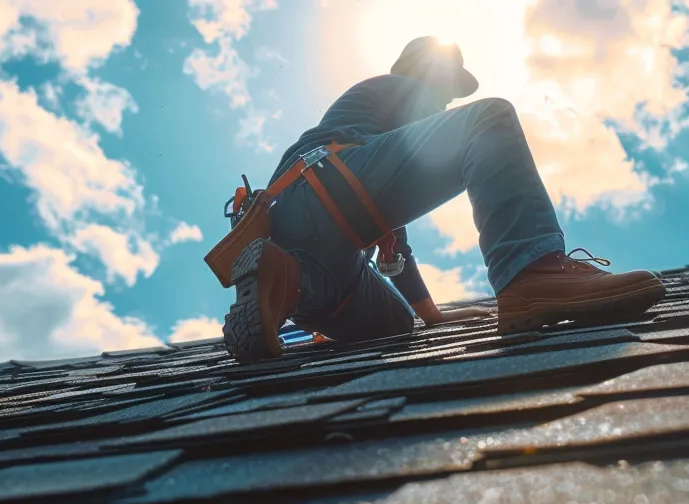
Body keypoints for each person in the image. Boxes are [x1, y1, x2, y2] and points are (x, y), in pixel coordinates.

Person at [220, 36, 666, 363]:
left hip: (302, 233)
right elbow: (437, 153)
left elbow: (390, 228)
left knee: (394, 324)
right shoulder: (400, 87)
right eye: (448, 84)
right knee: (488, 119)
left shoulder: (373, 120)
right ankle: (533, 273)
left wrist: (431, 317)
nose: (448, 97)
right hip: (320, 187)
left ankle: (285, 283)